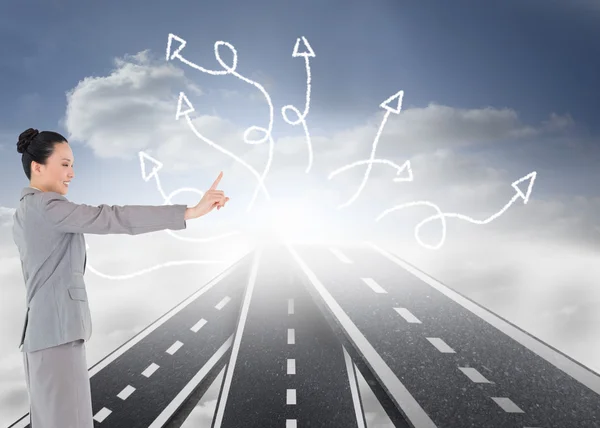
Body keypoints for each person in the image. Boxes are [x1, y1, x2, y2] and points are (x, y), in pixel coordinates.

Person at [12, 128, 229, 427]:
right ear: (38, 167)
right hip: (58, 333)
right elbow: (113, 217)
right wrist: (188, 212)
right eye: (64, 164)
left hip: (42, 334)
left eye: (73, 164)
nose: (72, 173)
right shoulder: (48, 206)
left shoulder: (25, 209)